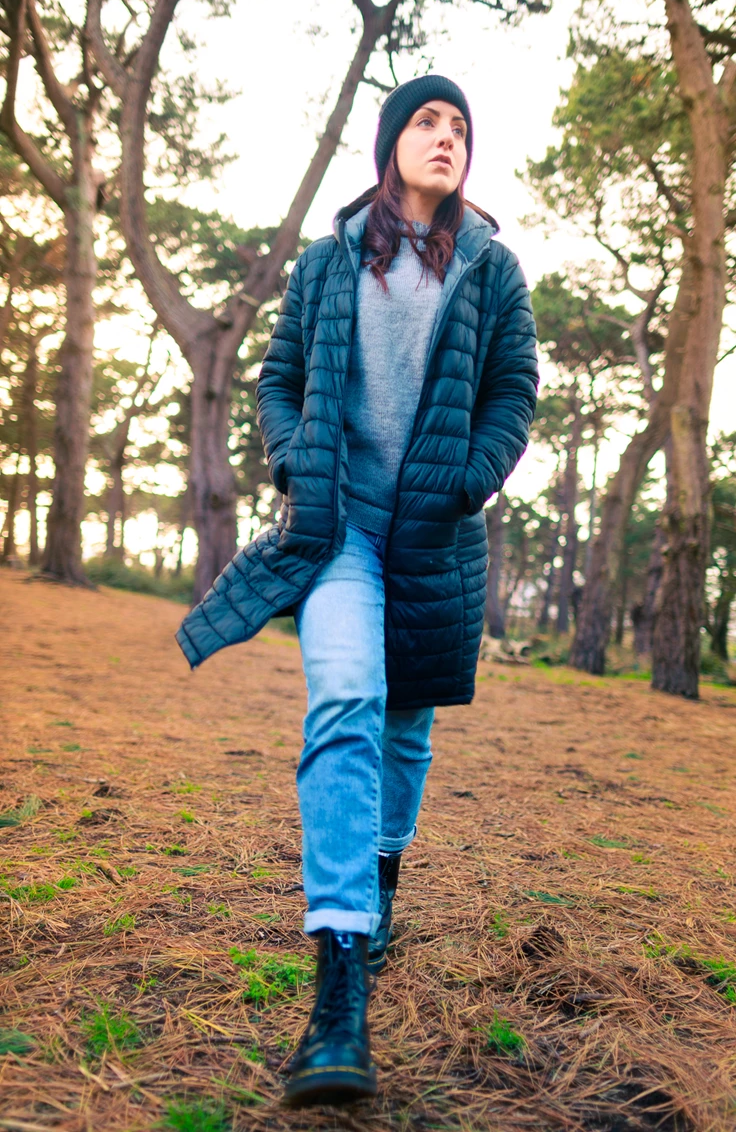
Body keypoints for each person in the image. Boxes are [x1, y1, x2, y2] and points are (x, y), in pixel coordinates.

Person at [175, 74, 539, 1107]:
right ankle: (339, 980)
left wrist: (470, 475)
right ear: (391, 144)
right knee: (343, 699)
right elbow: (277, 377)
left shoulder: (490, 269)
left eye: (461, 126)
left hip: (431, 537)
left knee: (406, 730)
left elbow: (514, 386)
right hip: (336, 532)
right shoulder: (330, 262)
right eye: (426, 121)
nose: (445, 137)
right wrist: (293, 459)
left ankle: (380, 877)